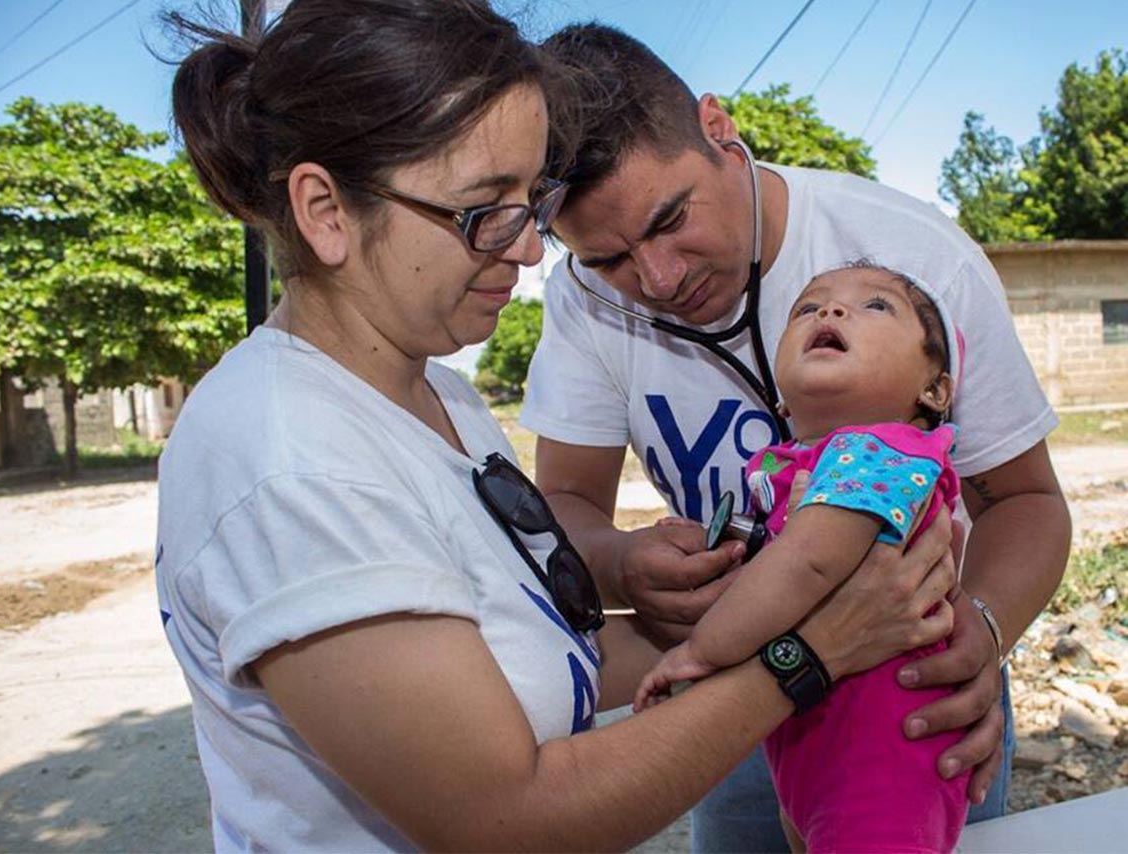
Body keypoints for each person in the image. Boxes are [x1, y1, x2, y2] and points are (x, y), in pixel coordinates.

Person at [154, 2, 961, 850]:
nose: (531, 251)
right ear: (325, 210)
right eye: (481, 211)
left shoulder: (439, 400)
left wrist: (740, 605)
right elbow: (513, 818)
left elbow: (536, 655)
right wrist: (809, 651)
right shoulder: (293, 465)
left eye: (528, 201)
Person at [523, 23, 1071, 852]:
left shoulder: (909, 258)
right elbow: (564, 501)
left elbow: (1025, 499)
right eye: (609, 261)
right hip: (744, 694)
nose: (660, 279)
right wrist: (620, 560)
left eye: (672, 219)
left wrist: (981, 638)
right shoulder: (581, 303)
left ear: (719, 129)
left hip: (915, 692)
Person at [636, 265, 972, 852]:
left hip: (882, 759)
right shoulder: (800, 466)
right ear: (780, 402)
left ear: (934, 391)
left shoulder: (881, 450)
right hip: (812, 745)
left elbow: (808, 565)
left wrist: (699, 650)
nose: (830, 313)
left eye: (875, 306)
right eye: (807, 308)